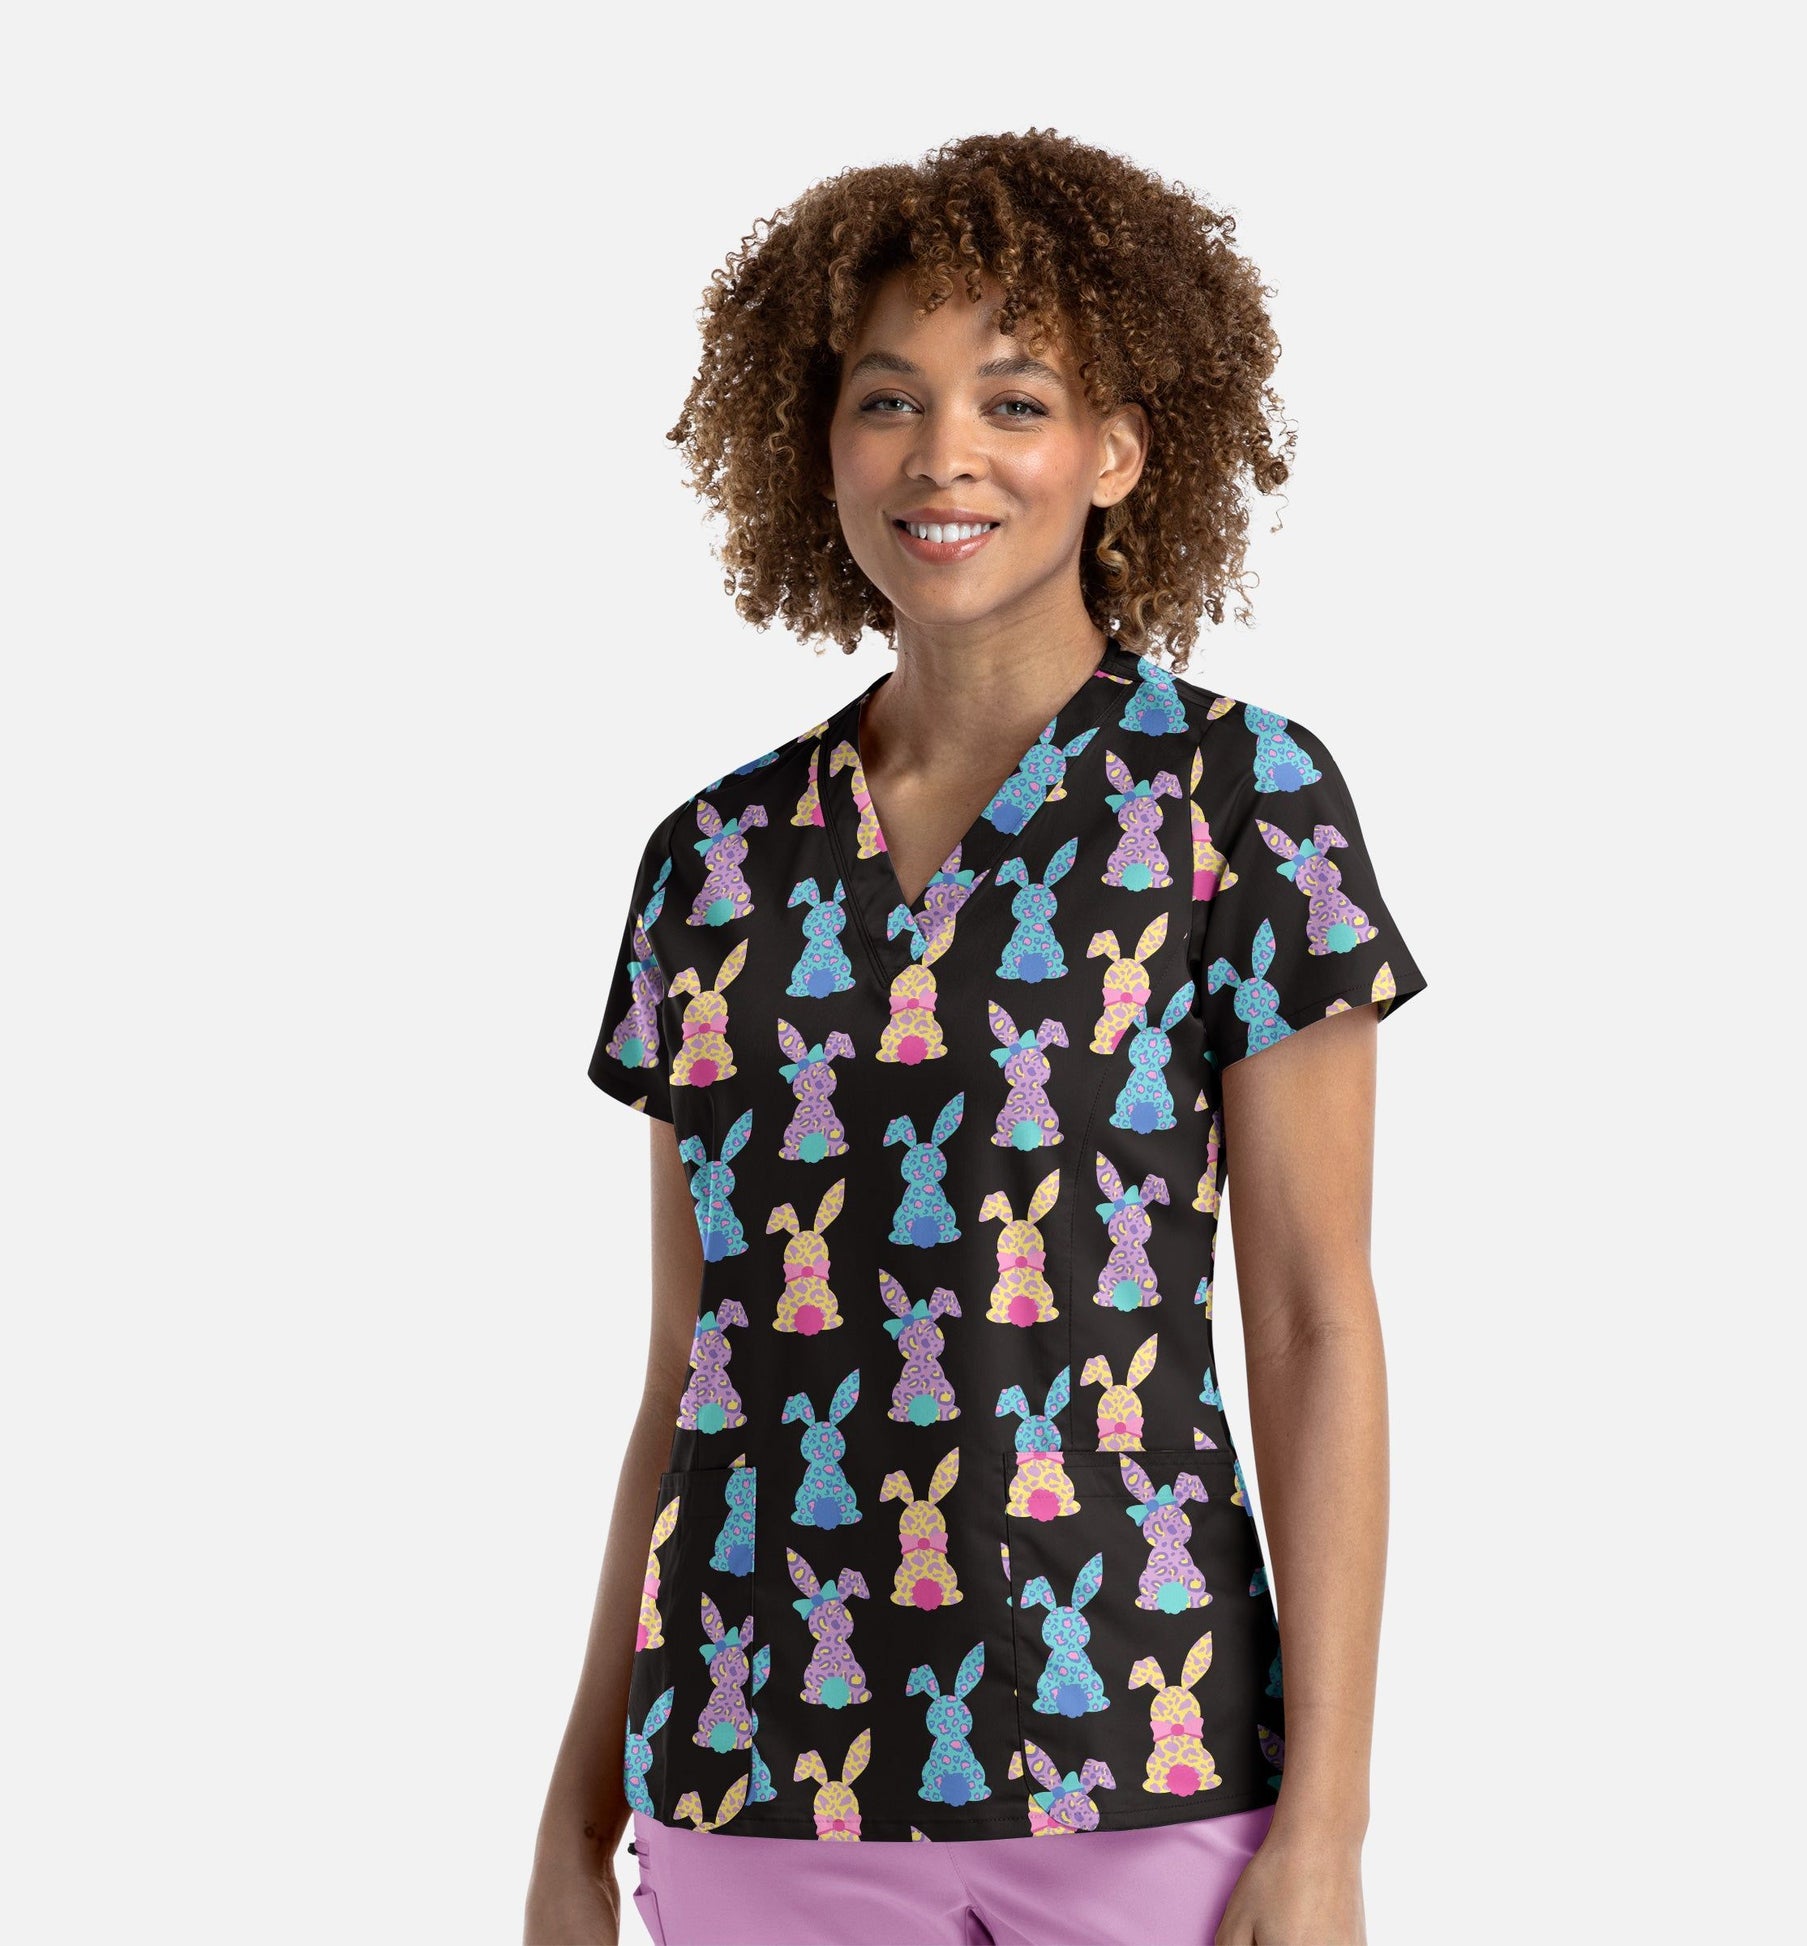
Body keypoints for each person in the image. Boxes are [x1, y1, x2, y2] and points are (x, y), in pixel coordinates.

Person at [525, 128, 1427, 1946]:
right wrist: (575, 1809)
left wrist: (1325, 1826)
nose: (943, 454)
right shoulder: (713, 859)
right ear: (819, 446)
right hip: (749, 1774)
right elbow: (689, 1368)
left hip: (1148, 1759)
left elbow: (1313, 1320)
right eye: (888, 399)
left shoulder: (1240, 798)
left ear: (1119, 451)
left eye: (1014, 401)